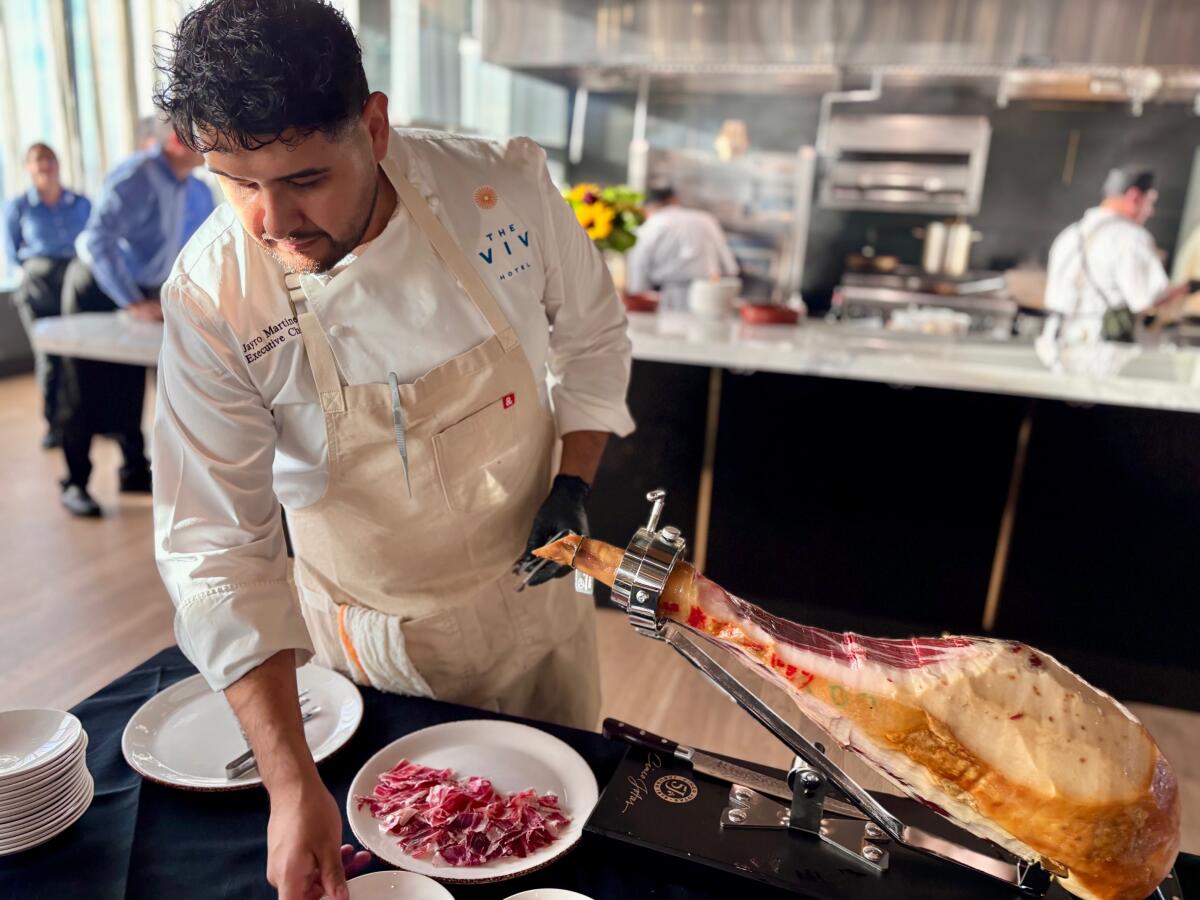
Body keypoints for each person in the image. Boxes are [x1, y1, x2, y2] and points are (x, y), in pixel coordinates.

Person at [151, 2, 634, 897]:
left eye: (304, 177)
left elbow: (596, 343)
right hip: (369, 651)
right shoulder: (217, 295)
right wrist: (291, 787)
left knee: (556, 848)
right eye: (235, 181)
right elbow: (215, 547)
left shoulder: (502, 193)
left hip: (531, 620)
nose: (270, 220)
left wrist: (574, 480)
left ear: (373, 125)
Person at [55, 118, 213, 517]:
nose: (214, 141)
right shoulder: (137, 176)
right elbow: (96, 240)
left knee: (135, 384)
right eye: (205, 134)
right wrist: (129, 300)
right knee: (84, 388)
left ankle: (133, 470)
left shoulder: (190, 185)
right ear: (178, 140)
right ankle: (75, 482)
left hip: (142, 289)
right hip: (99, 287)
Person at [1039, 165, 1194, 375]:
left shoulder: (1070, 234)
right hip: (1100, 355)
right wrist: (1188, 287)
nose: (1151, 211)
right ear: (1134, 197)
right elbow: (1148, 299)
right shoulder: (1130, 238)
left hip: (1054, 349)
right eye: (1150, 202)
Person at [3, 143, 91, 448]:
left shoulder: (80, 203)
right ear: (29, 168)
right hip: (39, 287)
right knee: (50, 356)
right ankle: (55, 424)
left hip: (74, 284)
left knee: (82, 355)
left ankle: (87, 420)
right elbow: (13, 255)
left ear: (59, 164)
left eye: (50, 160)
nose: (46, 166)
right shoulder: (19, 208)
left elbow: (94, 245)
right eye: (39, 161)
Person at [625, 185, 739, 311]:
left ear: (647, 207)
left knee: (673, 328)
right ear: (675, 200)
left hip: (667, 297)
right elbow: (730, 267)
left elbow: (638, 273)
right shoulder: (706, 219)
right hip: (710, 296)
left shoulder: (650, 226)